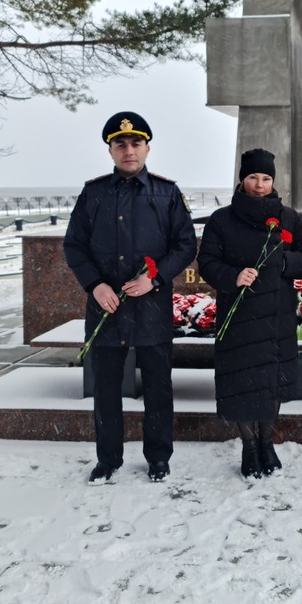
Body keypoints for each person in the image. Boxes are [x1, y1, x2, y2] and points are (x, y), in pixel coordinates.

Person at [64, 112, 197, 484]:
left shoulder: (166, 193)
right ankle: (108, 458)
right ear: (110, 150)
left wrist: (154, 279)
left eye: (136, 142)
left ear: (147, 148)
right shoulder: (93, 193)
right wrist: (95, 285)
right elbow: (74, 245)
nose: (128, 149)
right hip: (106, 307)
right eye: (120, 143)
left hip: (151, 307)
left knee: (158, 387)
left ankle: (158, 456)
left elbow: (185, 245)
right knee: (106, 388)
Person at [197, 149, 302, 479]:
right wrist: (233, 276)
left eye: (265, 179)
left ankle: (267, 442)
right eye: (253, 177)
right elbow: (207, 262)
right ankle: (249, 446)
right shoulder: (222, 219)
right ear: (242, 179)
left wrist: (285, 264)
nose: (259, 185)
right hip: (239, 317)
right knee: (241, 384)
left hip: (277, 317)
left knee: (271, 382)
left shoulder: (288, 217)